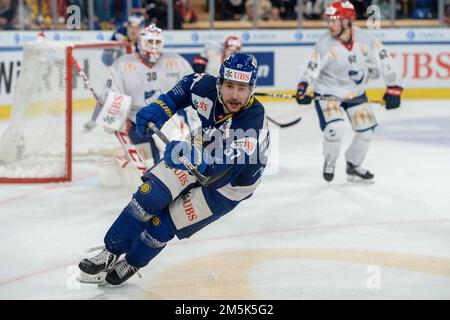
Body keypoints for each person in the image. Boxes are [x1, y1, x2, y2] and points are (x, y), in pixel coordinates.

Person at [78, 52, 270, 286]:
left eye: (242, 88)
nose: (234, 95)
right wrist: (160, 108)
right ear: (219, 82)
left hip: (229, 186)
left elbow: (223, 170)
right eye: (229, 86)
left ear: (252, 89)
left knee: (161, 227)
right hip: (202, 146)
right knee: (149, 195)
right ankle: (110, 251)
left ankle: (134, 261)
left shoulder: (253, 121)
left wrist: (194, 157)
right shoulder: (204, 86)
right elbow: (185, 89)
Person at [295, 1, 402, 183]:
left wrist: (394, 87)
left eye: (335, 20)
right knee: (335, 128)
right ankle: (330, 160)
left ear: (347, 21)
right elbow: (311, 65)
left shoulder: (366, 39)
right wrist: (304, 85)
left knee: (366, 132)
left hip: (355, 93)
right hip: (328, 92)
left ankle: (353, 165)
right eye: (328, 20)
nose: (330, 25)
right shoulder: (324, 43)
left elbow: (385, 60)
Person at [90, 24, 197, 188]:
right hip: (138, 122)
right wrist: (114, 118)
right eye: (150, 41)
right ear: (140, 42)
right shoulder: (122, 64)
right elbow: (112, 94)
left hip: (168, 119)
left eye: (157, 41)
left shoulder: (176, 61)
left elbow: (193, 90)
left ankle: (186, 185)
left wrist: (196, 125)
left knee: (180, 156)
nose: (154, 46)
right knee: (147, 167)